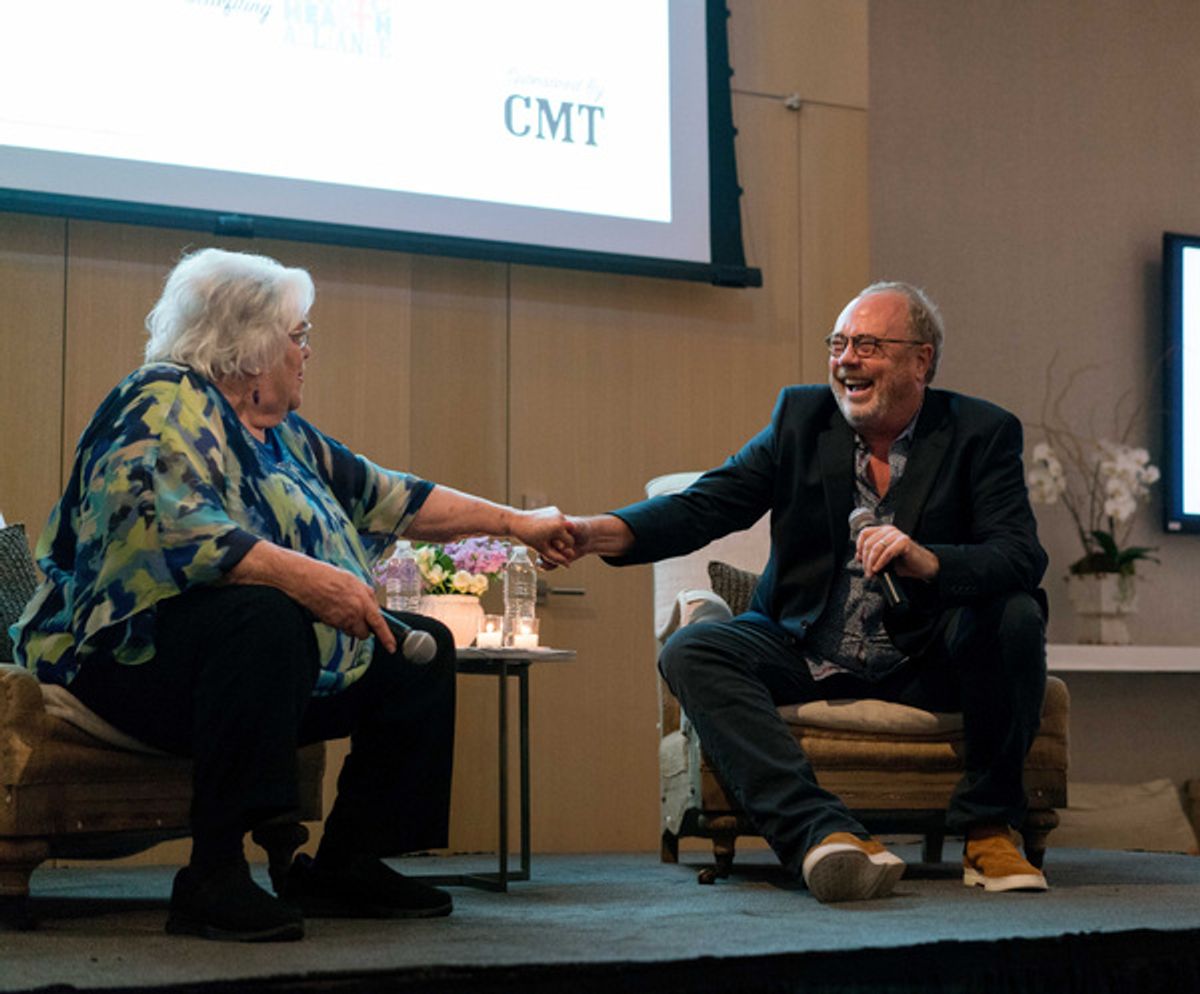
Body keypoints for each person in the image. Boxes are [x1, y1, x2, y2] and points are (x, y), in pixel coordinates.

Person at [10, 247, 574, 942]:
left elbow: (394, 496)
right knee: (266, 616)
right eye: (298, 335)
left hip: (243, 664)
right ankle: (212, 875)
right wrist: (306, 577)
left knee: (415, 653)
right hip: (125, 658)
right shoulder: (158, 400)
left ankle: (348, 861)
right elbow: (165, 529)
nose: (308, 352)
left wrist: (518, 524)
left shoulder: (281, 436)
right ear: (247, 346)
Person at [563, 282, 1050, 903]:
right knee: (693, 650)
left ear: (921, 360)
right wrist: (602, 532)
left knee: (1015, 614)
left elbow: (1019, 555)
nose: (847, 359)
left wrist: (928, 560)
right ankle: (823, 835)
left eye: (868, 345)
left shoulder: (981, 432)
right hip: (803, 645)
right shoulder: (800, 418)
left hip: (921, 655)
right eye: (839, 343)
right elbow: (710, 504)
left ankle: (988, 829)